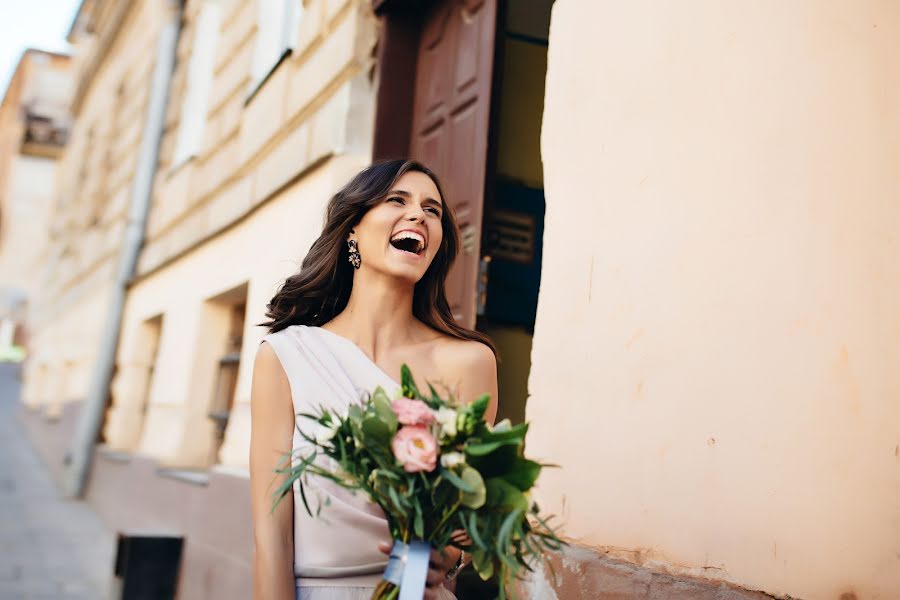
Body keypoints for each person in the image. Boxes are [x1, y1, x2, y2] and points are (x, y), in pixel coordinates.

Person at [249, 159, 499, 600]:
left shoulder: (470, 362)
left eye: (433, 210)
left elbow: (469, 522)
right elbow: (271, 538)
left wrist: (453, 554)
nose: (419, 215)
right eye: (396, 201)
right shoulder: (287, 356)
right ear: (352, 230)